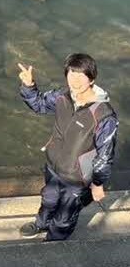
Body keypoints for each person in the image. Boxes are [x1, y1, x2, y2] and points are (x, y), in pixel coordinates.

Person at [17, 54, 118, 242]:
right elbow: (39, 104)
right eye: (71, 74)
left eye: (81, 76)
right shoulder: (63, 97)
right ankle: (41, 223)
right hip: (54, 167)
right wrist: (29, 87)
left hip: (77, 177)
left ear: (92, 78)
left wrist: (97, 184)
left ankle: (55, 240)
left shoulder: (104, 115)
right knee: (48, 198)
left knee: (65, 216)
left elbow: (105, 155)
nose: (75, 81)